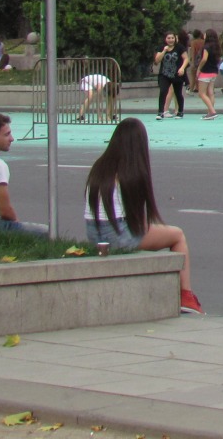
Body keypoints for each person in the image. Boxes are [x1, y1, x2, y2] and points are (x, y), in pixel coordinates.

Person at [84, 118, 202, 315]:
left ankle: (185, 296)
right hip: (118, 235)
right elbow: (136, 219)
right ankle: (186, 296)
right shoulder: (130, 172)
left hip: (94, 235)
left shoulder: (100, 166)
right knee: (178, 236)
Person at [154, 33, 186, 119]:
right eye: (168, 38)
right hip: (164, 74)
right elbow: (157, 61)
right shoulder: (162, 47)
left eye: (172, 38)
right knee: (163, 91)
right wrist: (164, 51)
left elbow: (186, 59)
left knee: (178, 93)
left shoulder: (180, 47)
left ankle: (180, 111)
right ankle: (160, 112)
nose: (171, 40)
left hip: (177, 73)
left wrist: (182, 68)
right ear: (165, 39)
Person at [194, 31, 222, 118]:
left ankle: (212, 111)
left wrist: (199, 68)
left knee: (202, 93)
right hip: (214, 71)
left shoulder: (206, 47)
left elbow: (204, 59)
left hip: (206, 71)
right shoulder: (217, 47)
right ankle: (210, 112)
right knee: (210, 93)